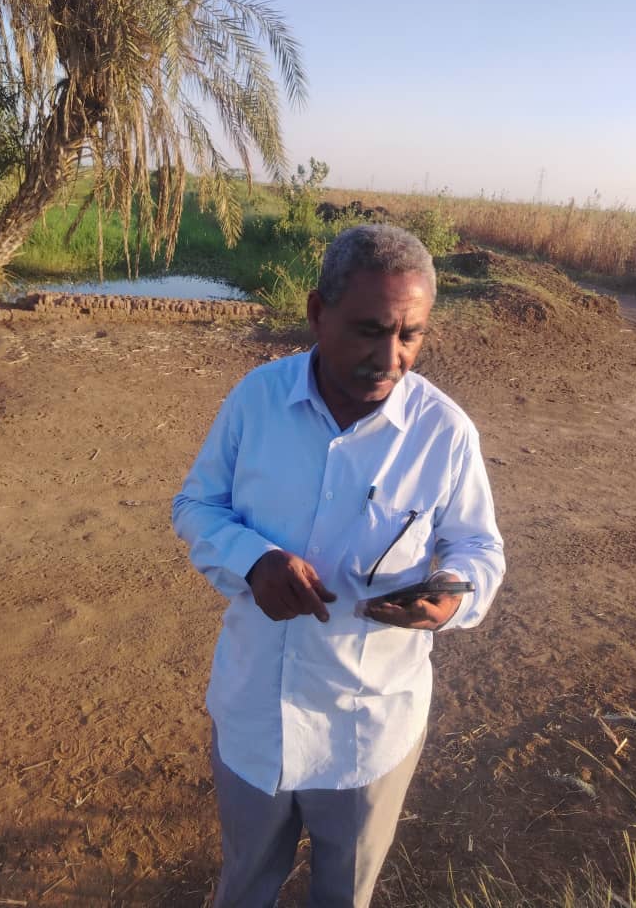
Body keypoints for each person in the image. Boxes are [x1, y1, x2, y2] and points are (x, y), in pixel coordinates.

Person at [172, 224, 505, 908]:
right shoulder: (257, 401)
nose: (390, 357)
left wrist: (451, 597)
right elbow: (197, 505)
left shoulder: (444, 434)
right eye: (369, 330)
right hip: (255, 715)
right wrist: (254, 561)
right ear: (317, 312)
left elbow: (478, 548)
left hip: (367, 734)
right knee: (245, 885)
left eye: (410, 334)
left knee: (344, 894)